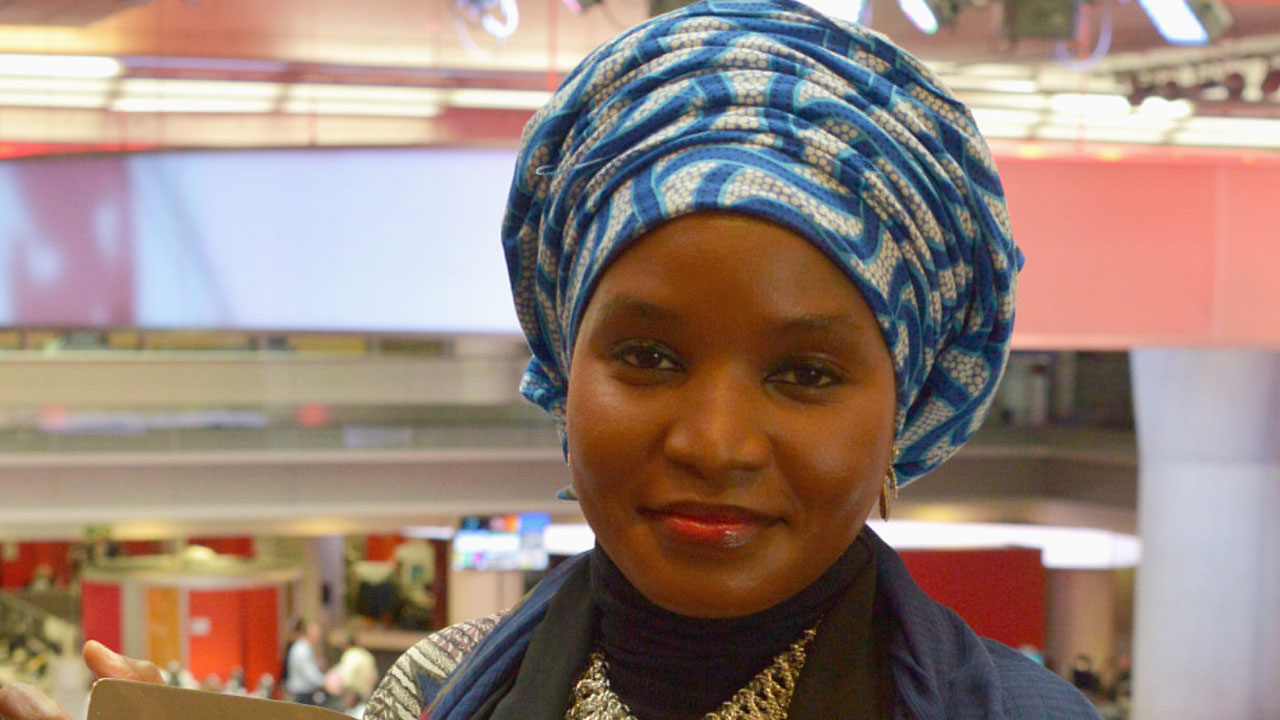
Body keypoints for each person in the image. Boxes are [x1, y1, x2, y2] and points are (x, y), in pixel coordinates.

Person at [0, 2, 1102, 720]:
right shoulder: (437, 694)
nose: (713, 441)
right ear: (562, 375)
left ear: (904, 409)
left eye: (804, 375)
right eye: (649, 356)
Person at [284, 619, 329, 705]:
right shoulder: (304, 649)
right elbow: (310, 673)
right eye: (318, 636)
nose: (319, 639)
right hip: (302, 695)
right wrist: (325, 683)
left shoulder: (300, 646)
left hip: (298, 693)